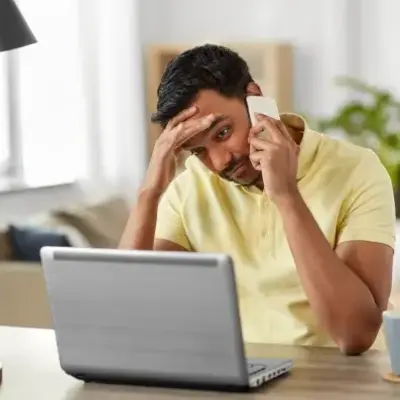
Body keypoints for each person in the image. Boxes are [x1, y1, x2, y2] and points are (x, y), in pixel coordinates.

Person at [119, 44, 396, 355]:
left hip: (337, 380)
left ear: (255, 97)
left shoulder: (356, 170)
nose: (220, 161)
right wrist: (149, 193)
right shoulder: (191, 186)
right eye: (198, 151)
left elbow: (355, 335)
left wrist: (286, 195)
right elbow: (128, 317)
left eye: (223, 133)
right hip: (240, 377)